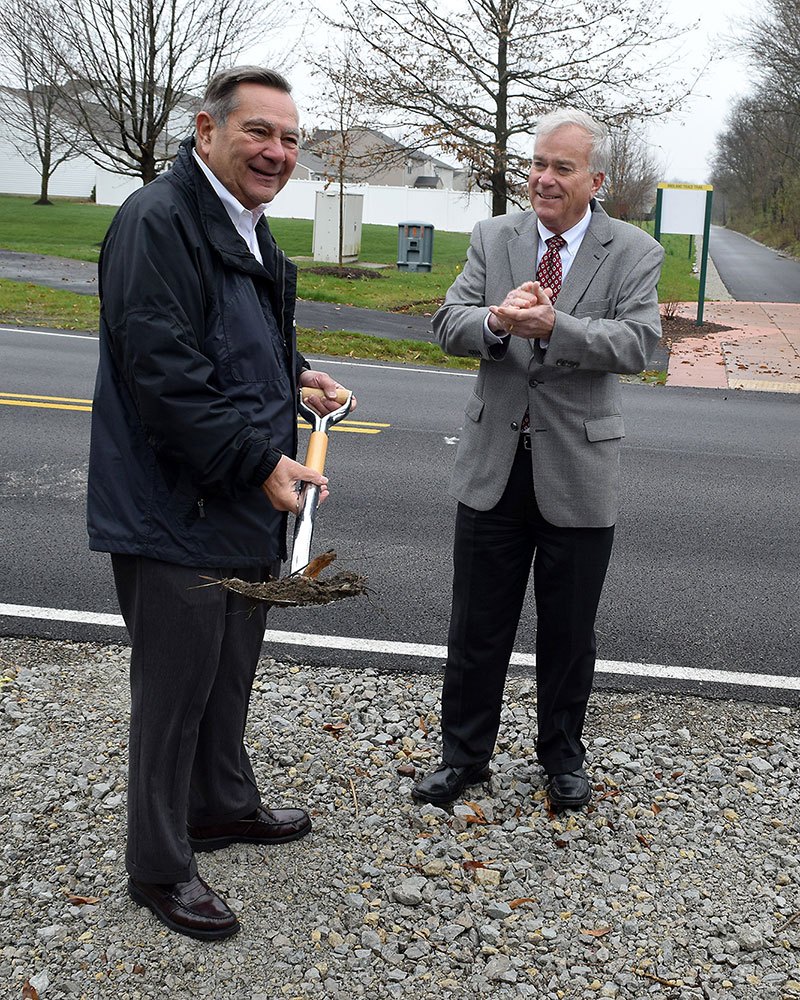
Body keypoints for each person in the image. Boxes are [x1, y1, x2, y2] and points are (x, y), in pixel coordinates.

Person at [87, 66, 353, 940]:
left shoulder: (243, 225)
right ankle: (160, 867)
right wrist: (256, 460)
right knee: (173, 696)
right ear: (206, 131)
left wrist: (295, 375)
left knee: (226, 675)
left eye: (288, 138)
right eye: (258, 133)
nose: (277, 152)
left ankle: (222, 804)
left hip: (236, 501)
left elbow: (239, 337)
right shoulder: (157, 222)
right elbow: (164, 374)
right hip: (176, 511)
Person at [412, 108, 664, 811]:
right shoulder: (496, 237)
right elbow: (448, 321)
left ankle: (561, 758)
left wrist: (561, 326)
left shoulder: (634, 251)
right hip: (493, 462)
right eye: (538, 164)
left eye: (562, 167)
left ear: (597, 180)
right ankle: (464, 756)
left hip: (578, 471)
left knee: (568, 630)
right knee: (476, 623)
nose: (544, 179)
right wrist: (495, 321)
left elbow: (640, 344)